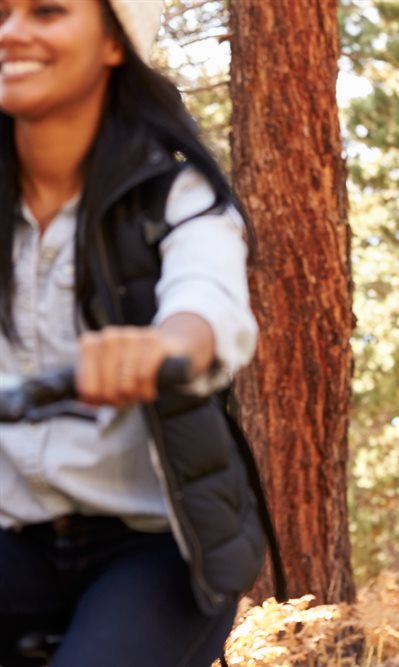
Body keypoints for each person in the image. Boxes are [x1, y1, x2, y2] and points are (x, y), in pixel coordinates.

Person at [0, 1, 264, 665]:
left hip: (154, 547)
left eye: (47, 11)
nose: (11, 32)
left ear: (115, 43)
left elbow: (208, 305)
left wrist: (162, 345)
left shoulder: (177, 197)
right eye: (0, 13)